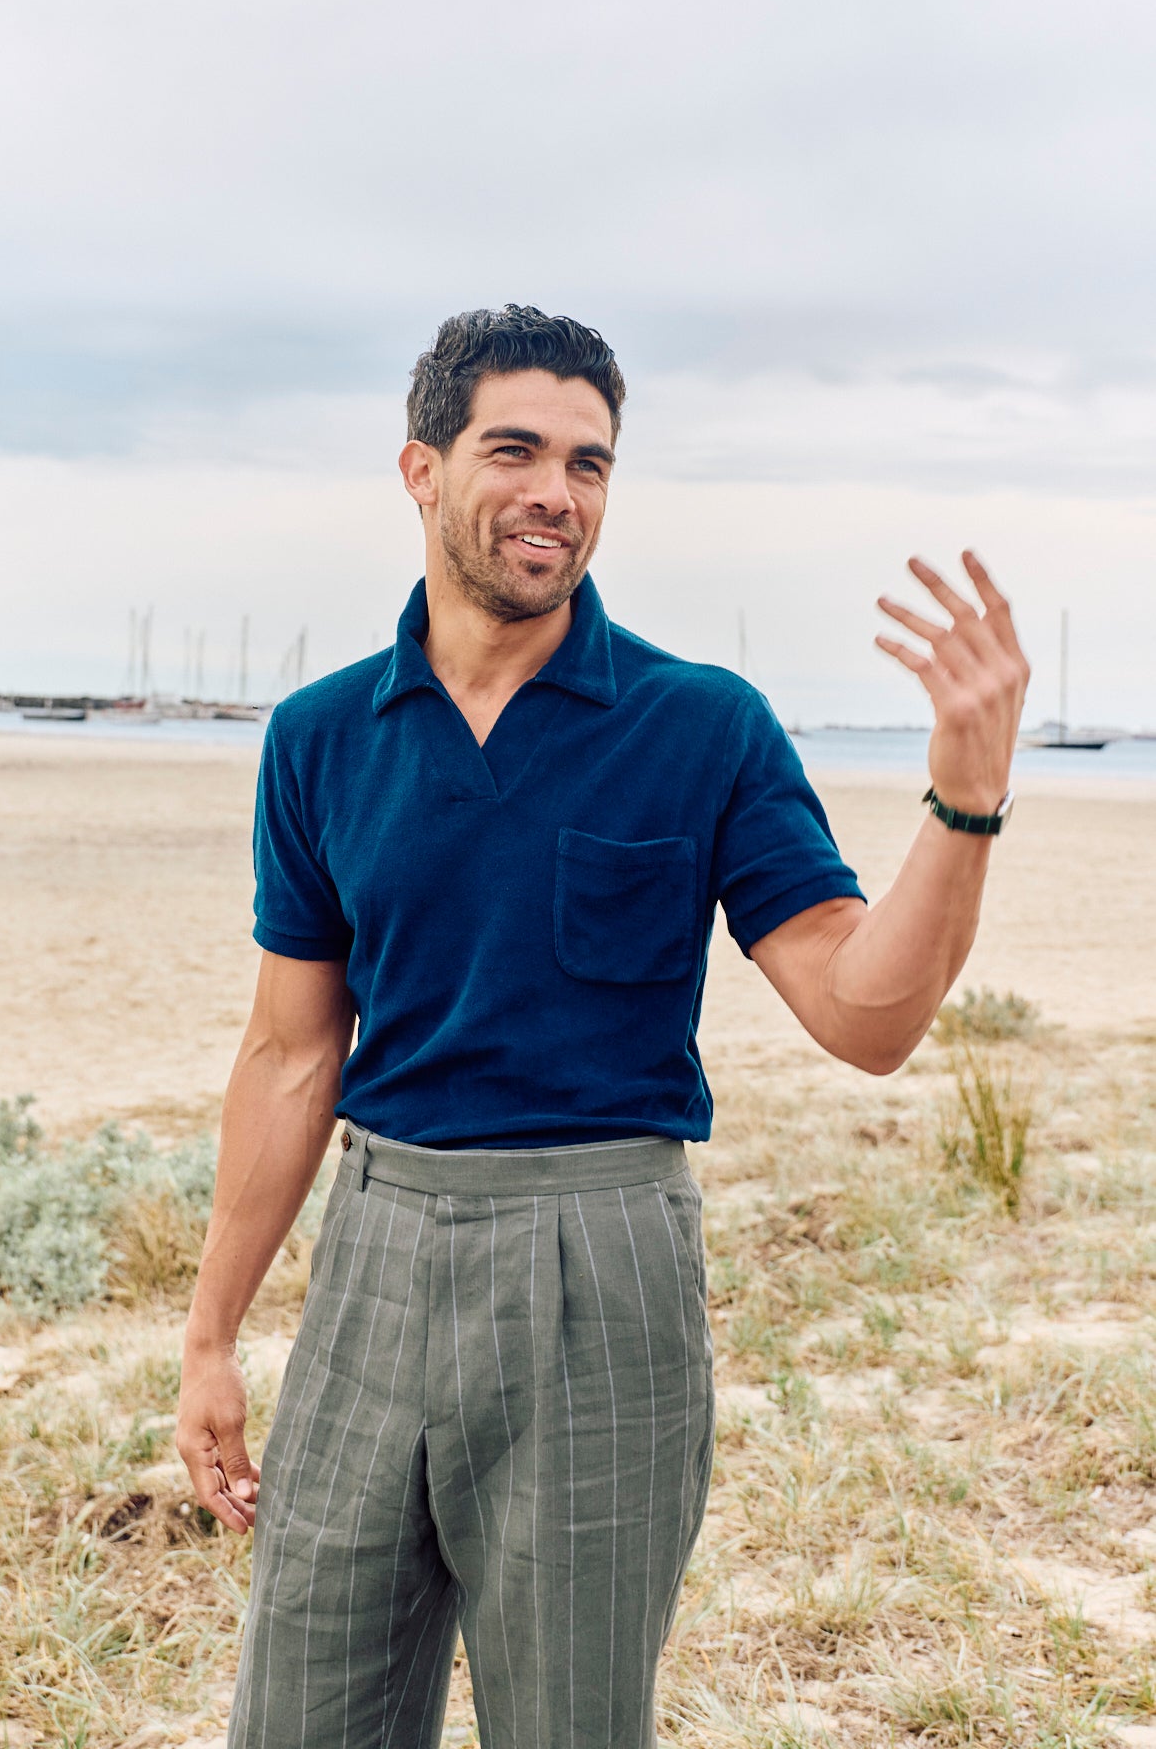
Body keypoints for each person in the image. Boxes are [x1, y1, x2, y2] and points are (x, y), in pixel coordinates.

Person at [177, 303, 1029, 1749]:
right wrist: (211, 1334)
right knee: (304, 1713)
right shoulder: (320, 736)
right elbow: (290, 1051)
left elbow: (864, 1014)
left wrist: (963, 801)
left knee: (570, 1722)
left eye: (589, 463)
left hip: (600, 1264)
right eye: (514, 451)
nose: (556, 494)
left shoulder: (702, 725)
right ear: (421, 469)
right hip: (374, 1250)